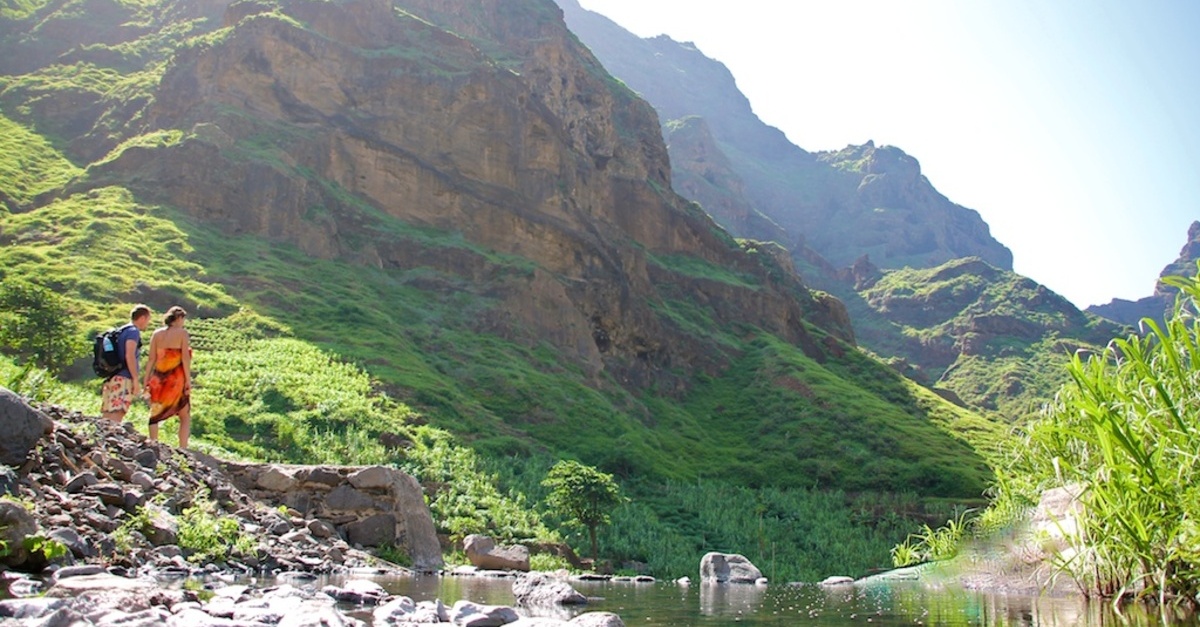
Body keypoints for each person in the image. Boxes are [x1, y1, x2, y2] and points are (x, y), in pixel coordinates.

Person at [145, 305, 192, 448]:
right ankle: (183, 447)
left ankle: (153, 442)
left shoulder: (156, 334)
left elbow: (151, 359)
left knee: (155, 412)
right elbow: (185, 358)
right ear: (178, 318)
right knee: (184, 414)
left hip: (158, 377)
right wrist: (188, 380)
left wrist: (146, 378)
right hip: (176, 377)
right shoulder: (182, 333)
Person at [101, 305, 152, 423]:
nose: (148, 323)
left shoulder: (121, 330)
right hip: (124, 377)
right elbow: (129, 355)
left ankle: (102, 438)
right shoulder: (133, 332)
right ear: (143, 318)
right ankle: (111, 438)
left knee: (107, 412)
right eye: (148, 320)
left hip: (113, 375)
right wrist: (135, 379)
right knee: (118, 411)